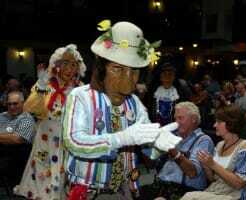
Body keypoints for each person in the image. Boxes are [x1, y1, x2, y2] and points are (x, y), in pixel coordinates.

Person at [61, 20, 179, 200]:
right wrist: (119, 139)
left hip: (126, 189)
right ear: (102, 69)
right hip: (90, 192)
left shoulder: (135, 104)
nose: (127, 80)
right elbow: (74, 142)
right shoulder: (80, 97)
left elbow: (147, 149)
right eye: (117, 68)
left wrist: (156, 143)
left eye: (134, 71)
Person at [14, 44, 86, 200]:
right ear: (57, 66)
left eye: (73, 65)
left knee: (65, 184)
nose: (69, 69)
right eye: (65, 64)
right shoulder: (46, 86)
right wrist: (40, 85)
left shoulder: (80, 89)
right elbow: (29, 108)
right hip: (45, 143)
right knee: (42, 182)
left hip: (68, 144)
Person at [181, 105, 246, 200]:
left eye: (218, 122)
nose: (214, 125)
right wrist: (206, 165)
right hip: (216, 192)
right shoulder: (219, 145)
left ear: (230, 123)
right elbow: (213, 180)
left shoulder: (245, 146)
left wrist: (213, 164)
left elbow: (240, 184)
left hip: (235, 195)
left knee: (190, 197)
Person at [140, 101, 215, 200]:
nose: (176, 122)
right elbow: (151, 164)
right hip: (160, 185)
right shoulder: (174, 135)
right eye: (175, 118)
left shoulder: (203, 140)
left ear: (193, 119)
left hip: (184, 191)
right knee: (133, 186)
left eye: (180, 118)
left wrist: (173, 151)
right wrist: (146, 144)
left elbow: (192, 173)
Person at [0, 91, 36, 186]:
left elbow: (17, 139)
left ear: (23, 103)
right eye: (9, 104)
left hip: (16, 159)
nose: (12, 107)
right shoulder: (2, 116)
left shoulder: (27, 118)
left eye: (15, 103)